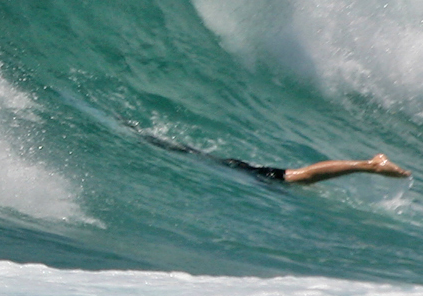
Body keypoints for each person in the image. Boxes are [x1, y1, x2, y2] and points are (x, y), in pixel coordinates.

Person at [143, 132, 411, 185]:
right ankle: (368, 165)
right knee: (299, 176)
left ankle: (370, 165)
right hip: (236, 167)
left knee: (299, 176)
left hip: (240, 169)